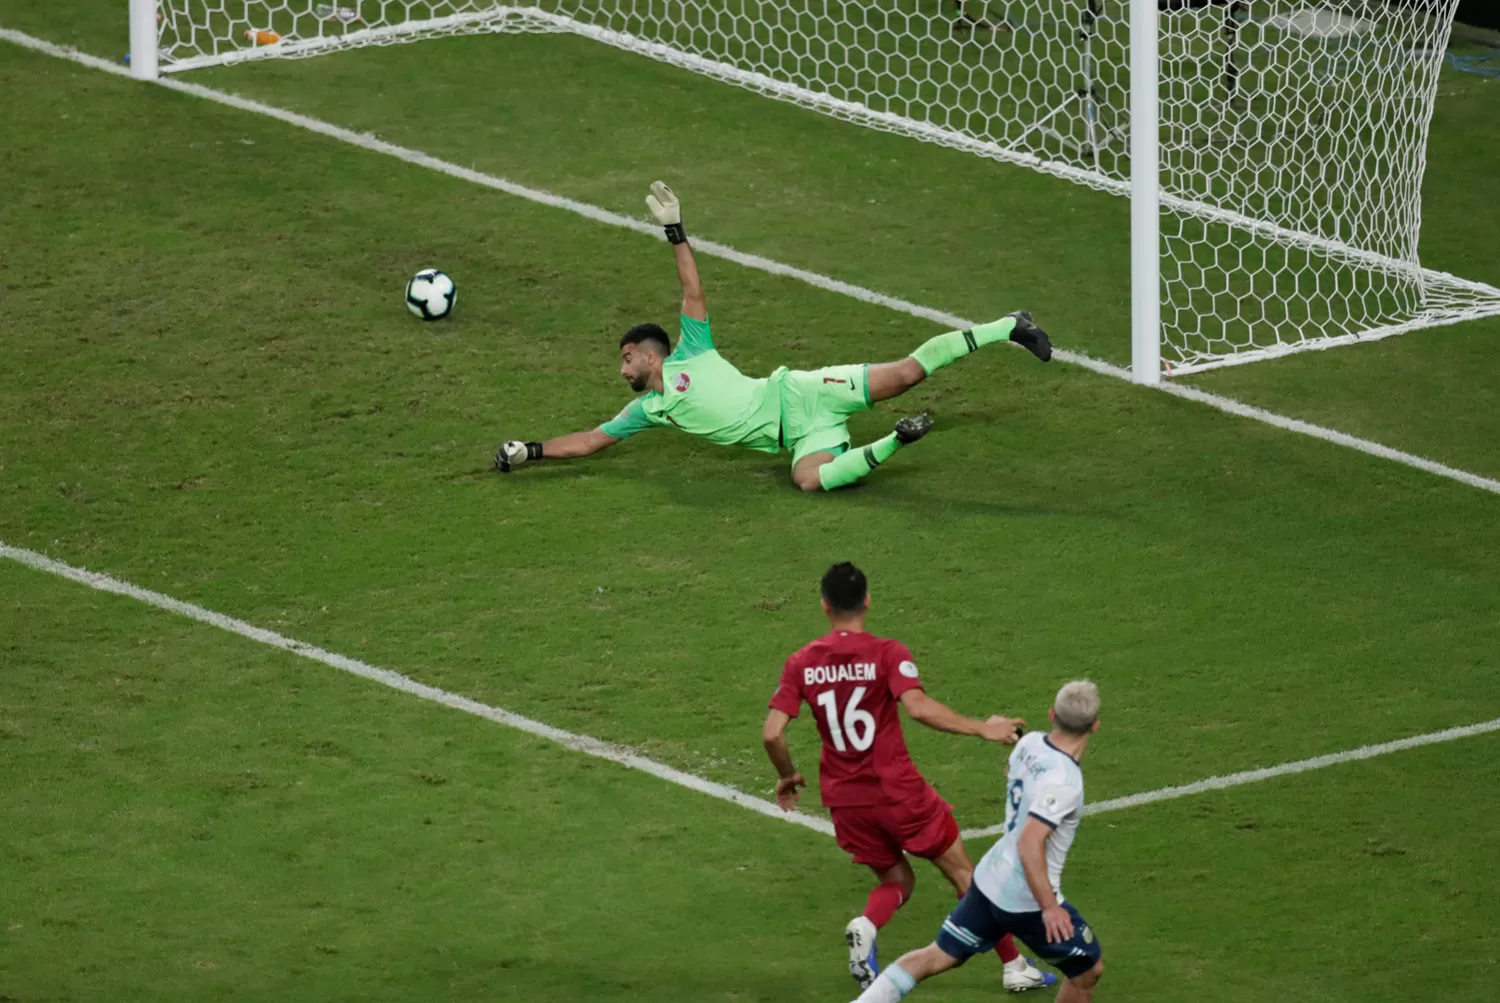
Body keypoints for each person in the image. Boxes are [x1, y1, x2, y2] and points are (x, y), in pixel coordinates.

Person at [494, 182, 1051, 492]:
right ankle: (899, 440)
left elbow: (693, 293)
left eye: (625, 359)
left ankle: (1009, 326)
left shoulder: (692, 350)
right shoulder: (649, 411)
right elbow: (591, 441)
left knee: (905, 374)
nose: (622, 372)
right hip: (802, 434)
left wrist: (674, 231)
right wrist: (531, 451)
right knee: (809, 481)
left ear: (648, 353)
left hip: (803, 394)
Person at [762, 562, 1056, 993]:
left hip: (845, 801)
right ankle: (1014, 966)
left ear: (824, 605)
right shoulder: (887, 652)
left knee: (897, 880)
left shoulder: (801, 663)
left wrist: (787, 775)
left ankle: (867, 923)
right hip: (897, 792)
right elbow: (917, 707)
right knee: (965, 876)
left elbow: (772, 733)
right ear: (867, 600)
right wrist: (981, 727)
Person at [849, 681, 1105, 1003]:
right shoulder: (1066, 782)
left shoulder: (1030, 744)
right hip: (1026, 900)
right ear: (1095, 726)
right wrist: (1050, 908)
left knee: (935, 955)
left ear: (1052, 714)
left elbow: (1015, 776)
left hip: (988, 880)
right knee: (1087, 972)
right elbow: (1030, 843)